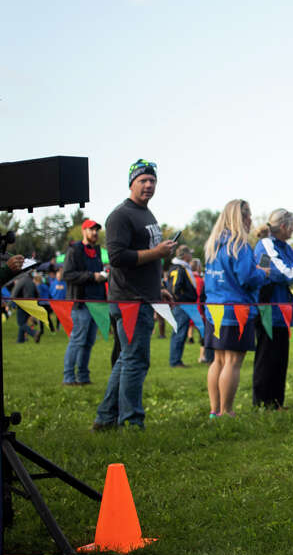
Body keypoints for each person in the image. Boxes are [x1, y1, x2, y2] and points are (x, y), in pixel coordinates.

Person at [92, 160, 175, 431]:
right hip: (129, 300)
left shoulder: (147, 214)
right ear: (131, 183)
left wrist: (158, 287)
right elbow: (116, 257)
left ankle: (106, 419)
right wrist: (157, 253)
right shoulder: (120, 216)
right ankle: (131, 421)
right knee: (135, 360)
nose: (149, 185)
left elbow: (147, 259)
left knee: (127, 359)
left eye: (152, 180)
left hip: (143, 296)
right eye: (143, 180)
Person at [204, 199, 269, 418]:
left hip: (214, 309)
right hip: (235, 310)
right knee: (232, 361)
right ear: (240, 218)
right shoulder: (238, 244)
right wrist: (263, 273)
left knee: (218, 360)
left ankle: (215, 411)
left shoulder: (214, 243)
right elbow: (247, 277)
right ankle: (227, 410)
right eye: (249, 215)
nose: (251, 219)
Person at [253, 209, 293, 409]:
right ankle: (261, 404)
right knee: (266, 358)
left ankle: (276, 403)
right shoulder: (265, 245)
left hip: (283, 311)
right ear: (284, 226)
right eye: (292, 225)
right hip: (269, 310)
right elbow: (284, 273)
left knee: (280, 358)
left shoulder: (285, 246)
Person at [61, 219, 109, 384]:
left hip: (97, 303)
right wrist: (92, 276)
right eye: (91, 230)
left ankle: (83, 377)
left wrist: (103, 276)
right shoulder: (74, 250)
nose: (94, 233)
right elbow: (67, 275)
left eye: (96, 230)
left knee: (88, 341)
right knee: (77, 340)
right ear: (84, 231)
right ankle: (68, 377)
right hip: (80, 303)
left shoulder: (97, 251)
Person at [166, 244, 198, 367]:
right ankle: (175, 361)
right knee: (179, 333)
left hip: (184, 304)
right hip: (182, 305)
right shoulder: (179, 268)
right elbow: (175, 287)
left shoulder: (180, 267)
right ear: (185, 255)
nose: (191, 255)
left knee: (181, 332)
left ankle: (176, 360)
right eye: (189, 253)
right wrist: (179, 300)